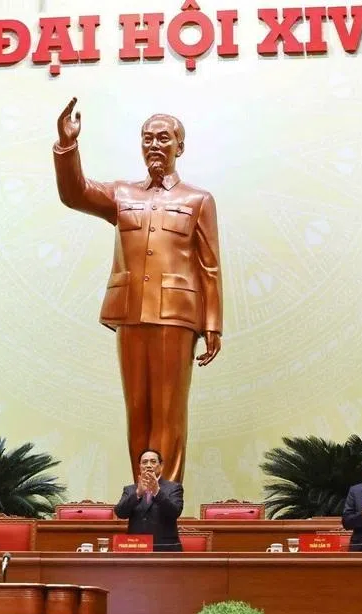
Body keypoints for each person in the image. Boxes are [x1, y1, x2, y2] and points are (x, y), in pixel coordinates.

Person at [53, 98, 222, 484]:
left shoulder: (198, 200)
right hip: (129, 312)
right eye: (148, 139)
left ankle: (167, 498)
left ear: (180, 146)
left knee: (168, 410)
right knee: (138, 408)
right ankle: (141, 496)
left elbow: (210, 265)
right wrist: (67, 146)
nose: (155, 146)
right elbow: (74, 192)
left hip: (177, 315)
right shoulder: (122, 194)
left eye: (164, 139)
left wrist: (213, 323)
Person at [115, 449, 184, 551]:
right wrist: (138, 494)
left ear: (161, 466)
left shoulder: (174, 488)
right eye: (144, 462)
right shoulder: (130, 489)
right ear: (139, 466)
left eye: (153, 461)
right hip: (136, 548)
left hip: (165, 548)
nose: (148, 465)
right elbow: (120, 513)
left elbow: (175, 512)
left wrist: (157, 492)